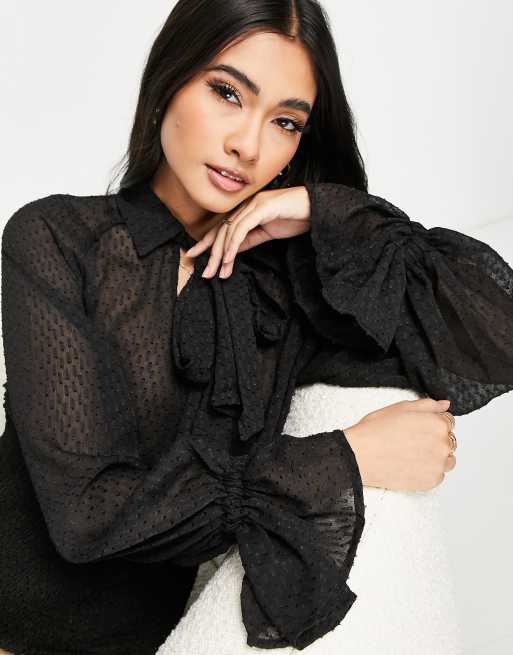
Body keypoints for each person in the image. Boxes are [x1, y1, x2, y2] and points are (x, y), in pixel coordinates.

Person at [1, 1, 512, 653]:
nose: (248, 145)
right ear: (169, 82)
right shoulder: (57, 238)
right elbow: (86, 519)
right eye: (227, 93)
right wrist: (347, 456)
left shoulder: (289, 292)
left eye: (285, 122)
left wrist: (323, 209)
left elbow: (495, 338)